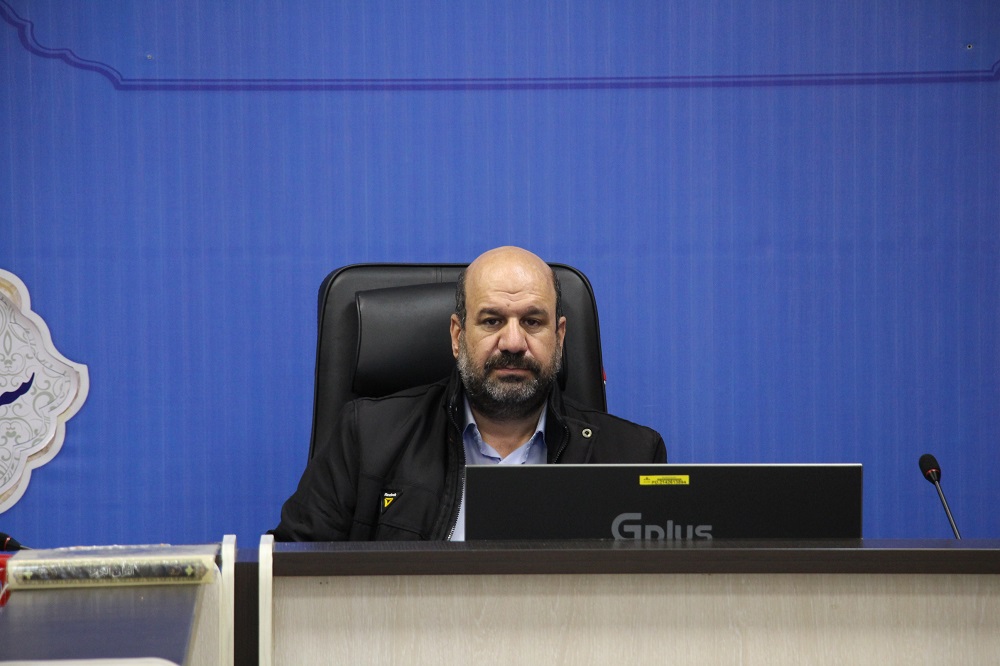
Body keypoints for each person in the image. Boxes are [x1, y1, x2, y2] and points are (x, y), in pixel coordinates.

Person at [272, 246, 666, 541]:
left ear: (559, 337)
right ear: (458, 336)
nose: (513, 342)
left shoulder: (632, 455)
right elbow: (289, 573)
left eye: (532, 321)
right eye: (492, 321)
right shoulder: (367, 437)